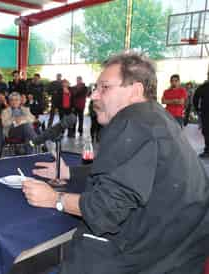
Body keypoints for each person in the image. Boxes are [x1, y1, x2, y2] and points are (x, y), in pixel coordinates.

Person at [22, 52, 209, 274]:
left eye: (105, 88)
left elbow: (105, 212)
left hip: (148, 259)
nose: (95, 95)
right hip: (180, 251)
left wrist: (56, 199)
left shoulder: (132, 121)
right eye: (95, 88)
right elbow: (131, 170)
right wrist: (70, 173)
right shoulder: (156, 117)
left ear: (135, 91)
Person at [193, 72, 209, 157]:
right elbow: (195, 97)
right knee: (206, 131)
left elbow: (195, 98)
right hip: (205, 113)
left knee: (206, 131)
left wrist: (197, 109)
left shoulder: (203, 87)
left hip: (205, 113)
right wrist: (197, 109)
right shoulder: (203, 87)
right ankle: (207, 150)